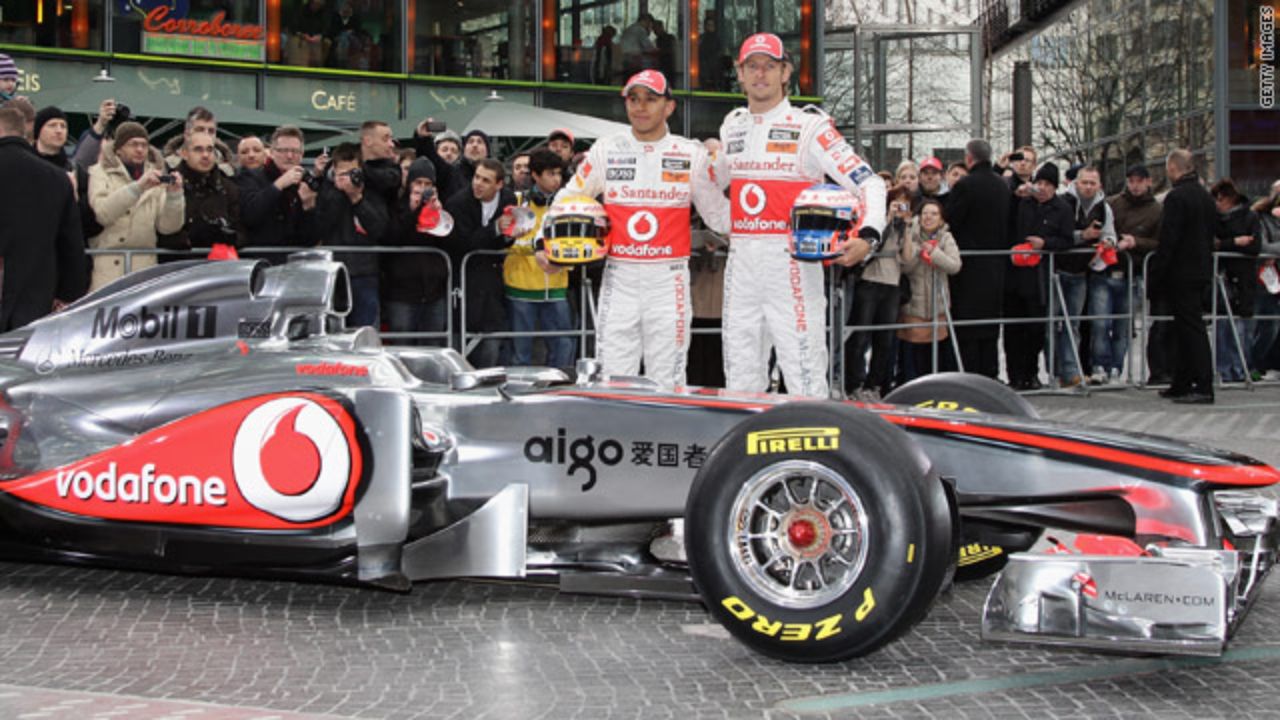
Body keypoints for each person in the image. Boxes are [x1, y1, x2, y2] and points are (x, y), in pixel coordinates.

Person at [717, 33, 886, 397]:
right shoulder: (731, 125)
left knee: (804, 373)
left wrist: (868, 237)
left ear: (785, 72)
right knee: (740, 379)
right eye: (752, 66)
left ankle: (814, 451)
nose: (760, 74)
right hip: (741, 262)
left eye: (770, 66)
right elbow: (713, 184)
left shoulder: (809, 127)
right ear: (740, 73)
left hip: (791, 261)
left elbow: (870, 182)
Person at [552, 70, 730, 387]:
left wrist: (771, 230)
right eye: (633, 99)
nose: (640, 107)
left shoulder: (689, 153)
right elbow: (567, 199)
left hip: (669, 278)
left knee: (668, 378)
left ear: (669, 107)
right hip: (619, 276)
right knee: (612, 377)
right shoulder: (607, 149)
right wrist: (544, 246)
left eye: (650, 99)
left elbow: (719, 216)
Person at [0, 106, 88, 330]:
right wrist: (69, 292)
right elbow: (71, 244)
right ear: (25, 133)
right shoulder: (58, 179)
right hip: (34, 299)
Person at [1148, 149, 1216, 404]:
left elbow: (1170, 239)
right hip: (1200, 269)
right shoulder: (1204, 196)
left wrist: (1157, 272)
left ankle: (1201, 385)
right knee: (1185, 327)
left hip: (1181, 271)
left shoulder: (1177, 197)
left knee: (1190, 329)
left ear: (1173, 168)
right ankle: (1183, 381)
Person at [87, 121, 186, 290]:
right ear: (118, 149)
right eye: (133, 144)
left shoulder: (157, 175)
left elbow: (167, 227)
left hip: (144, 269)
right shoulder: (99, 172)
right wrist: (138, 187)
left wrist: (174, 196)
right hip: (107, 267)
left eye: (144, 145)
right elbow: (102, 213)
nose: (140, 150)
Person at [942, 138, 1010, 379]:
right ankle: (990, 374)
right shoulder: (1002, 185)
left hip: (969, 267)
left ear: (969, 158)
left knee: (968, 327)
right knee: (990, 328)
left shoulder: (966, 185)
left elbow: (951, 219)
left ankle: (969, 377)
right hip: (996, 267)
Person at [1004, 163, 1074, 391]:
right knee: (1013, 328)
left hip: (1039, 278)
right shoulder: (1023, 204)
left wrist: (1045, 244)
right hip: (1016, 275)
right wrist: (1016, 196)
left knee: (1035, 329)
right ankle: (1014, 375)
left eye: (1048, 185)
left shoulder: (1062, 209)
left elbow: (1067, 241)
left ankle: (1031, 373)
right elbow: (1008, 222)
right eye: (1040, 183)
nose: (1042, 188)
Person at [442, 158, 516, 367]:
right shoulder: (458, 202)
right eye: (476, 177)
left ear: (499, 184)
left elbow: (505, 239)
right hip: (464, 279)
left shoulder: (509, 199)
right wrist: (495, 229)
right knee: (460, 343)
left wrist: (511, 235)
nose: (478, 184)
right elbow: (464, 243)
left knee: (491, 344)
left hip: (493, 281)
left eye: (485, 180)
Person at [505, 148, 574, 368]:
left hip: (556, 287)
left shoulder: (566, 205)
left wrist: (565, 262)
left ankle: (561, 394)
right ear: (535, 175)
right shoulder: (516, 202)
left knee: (563, 348)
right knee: (520, 353)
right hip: (521, 287)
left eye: (559, 174)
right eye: (550, 174)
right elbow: (507, 240)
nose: (557, 179)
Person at [315, 143, 389, 328]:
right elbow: (319, 226)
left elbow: (380, 229)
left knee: (365, 332)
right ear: (334, 172)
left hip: (365, 273)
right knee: (333, 332)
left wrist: (357, 198)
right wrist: (339, 192)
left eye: (352, 172)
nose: (349, 178)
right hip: (333, 274)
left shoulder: (371, 192)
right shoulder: (325, 191)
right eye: (343, 173)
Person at [1099, 164, 1161, 385]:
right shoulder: (1113, 203)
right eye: (1131, 180)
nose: (1135, 185)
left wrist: (1136, 242)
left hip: (1132, 272)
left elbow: (1160, 242)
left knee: (1123, 326)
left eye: (1140, 181)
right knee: (1101, 322)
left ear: (1148, 182)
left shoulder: (1156, 210)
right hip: (1107, 269)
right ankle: (1101, 366)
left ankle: (1116, 367)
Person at [845, 184, 907, 401]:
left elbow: (907, 258)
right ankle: (853, 383)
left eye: (904, 203)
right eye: (896, 202)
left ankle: (874, 384)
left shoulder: (905, 226)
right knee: (859, 337)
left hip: (893, 284)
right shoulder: (874, 223)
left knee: (885, 339)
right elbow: (871, 248)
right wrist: (888, 221)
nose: (900, 207)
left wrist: (905, 226)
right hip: (870, 281)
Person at [1058, 165, 1116, 387]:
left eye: (1093, 183)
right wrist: (1082, 236)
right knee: (1052, 325)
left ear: (1099, 185)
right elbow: (1058, 235)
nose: (1089, 187)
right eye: (1085, 182)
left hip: (1081, 272)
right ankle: (1055, 371)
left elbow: (1111, 234)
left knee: (1073, 325)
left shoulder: (1104, 208)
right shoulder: (1063, 203)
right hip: (1058, 269)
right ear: (1076, 183)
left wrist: (1106, 243)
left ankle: (1070, 372)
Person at [383, 157, 451, 346]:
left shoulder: (438, 207)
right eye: (418, 182)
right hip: (401, 292)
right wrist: (412, 211)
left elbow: (448, 241)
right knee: (402, 345)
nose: (422, 188)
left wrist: (439, 214)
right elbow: (391, 238)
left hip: (433, 291)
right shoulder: (395, 206)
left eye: (427, 183)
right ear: (409, 182)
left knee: (432, 346)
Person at [898, 198, 962, 381]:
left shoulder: (946, 237)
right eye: (925, 213)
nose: (929, 217)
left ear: (941, 219)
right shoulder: (910, 233)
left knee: (936, 352)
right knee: (911, 352)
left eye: (934, 214)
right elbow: (904, 266)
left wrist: (934, 254)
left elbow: (955, 265)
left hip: (938, 305)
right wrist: (918, 252)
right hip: (913, 304)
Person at [235, 125, 320, 263]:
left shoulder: (305, 183)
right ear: (272, 152)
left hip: (293, 266)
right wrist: (279, 185)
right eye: (283, 150)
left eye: (295, 151)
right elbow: (250, 215)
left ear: (302, 155)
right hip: (259, 263)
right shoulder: (250, 177)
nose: (290, 156)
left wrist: (308, 207)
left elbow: (310, 240)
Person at [159, 132, 246, 260]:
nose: (205, 155)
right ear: (184, 153)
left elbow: (242, 230)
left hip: (219, 267)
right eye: (198, 149)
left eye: (210, 150)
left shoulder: (228, 187)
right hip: (177, 267)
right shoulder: (167, 184)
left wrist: (229, 238)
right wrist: (187, 239)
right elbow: (157, 230)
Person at [1210, 178, 1261, 383]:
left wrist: (1225, 245)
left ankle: (1240, 369)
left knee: (1241, 328)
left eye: (1220, 200)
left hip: (1243, 278)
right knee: (1222, 326)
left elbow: (1254, 247)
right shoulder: (1214, 219)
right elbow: (1212, 244)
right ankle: (1223, 370)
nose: (1217, 204)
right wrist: (1234, 242)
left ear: (1230, 199)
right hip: (1222, 277)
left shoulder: (1249, 216)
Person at [32, 106, 101, 246]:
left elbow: (91, 226)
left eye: (63, 126)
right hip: (32, 249)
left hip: (66, 252)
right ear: (38, 130)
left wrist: (75, 200)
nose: (59, 130)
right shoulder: (25, 166)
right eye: (52, 125)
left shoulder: (76, 170)